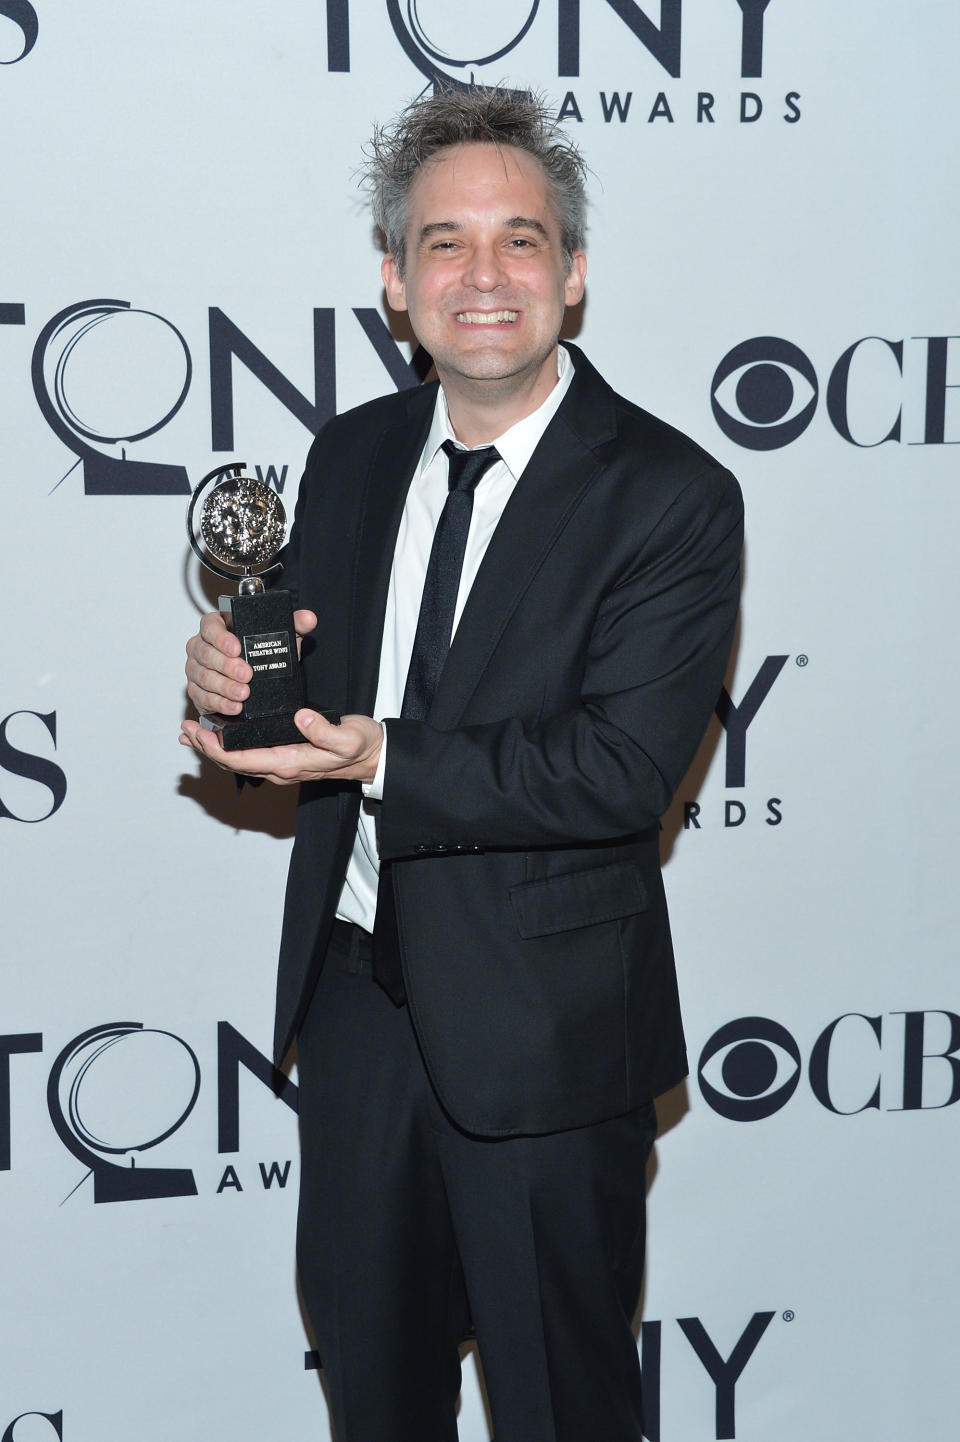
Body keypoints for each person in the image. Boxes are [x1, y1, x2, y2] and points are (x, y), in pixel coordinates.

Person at [181, 86, 743, 1442]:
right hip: (362, 1015)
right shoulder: (355, 453)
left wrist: (387, 754)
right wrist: (234, 692)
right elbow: (307, 702)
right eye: (445, 243)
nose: (483, 277)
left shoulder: (670, 495)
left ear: (576, 272)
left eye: (521, 240)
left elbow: (616, 770)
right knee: (376, 1393)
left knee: (559, 1406)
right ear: (394, 281)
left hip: (547, 1037)